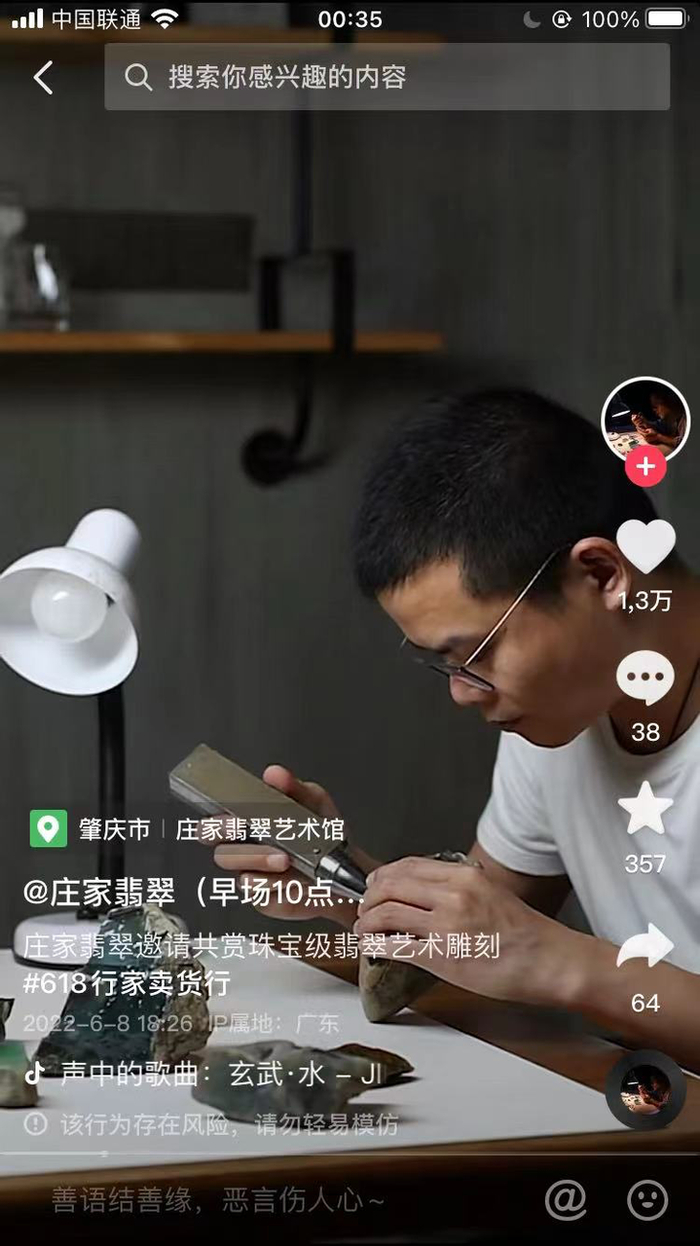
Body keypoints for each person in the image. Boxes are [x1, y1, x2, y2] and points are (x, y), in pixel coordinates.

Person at [210, 391, 700, 1073]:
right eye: (442, 664)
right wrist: (344, 883)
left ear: (601, 575)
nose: (462, 692)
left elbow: (528, 951)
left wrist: (563, 964)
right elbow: (484, 941)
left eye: (476, 654)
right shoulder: (557, 718)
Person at [630, 387, 687, 453]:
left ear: (670, 403)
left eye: (656, 406)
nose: (654, 410)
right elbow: (661, 425)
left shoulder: (687, 419)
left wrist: (658, 437)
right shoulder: (671, 418)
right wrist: (644, 423)